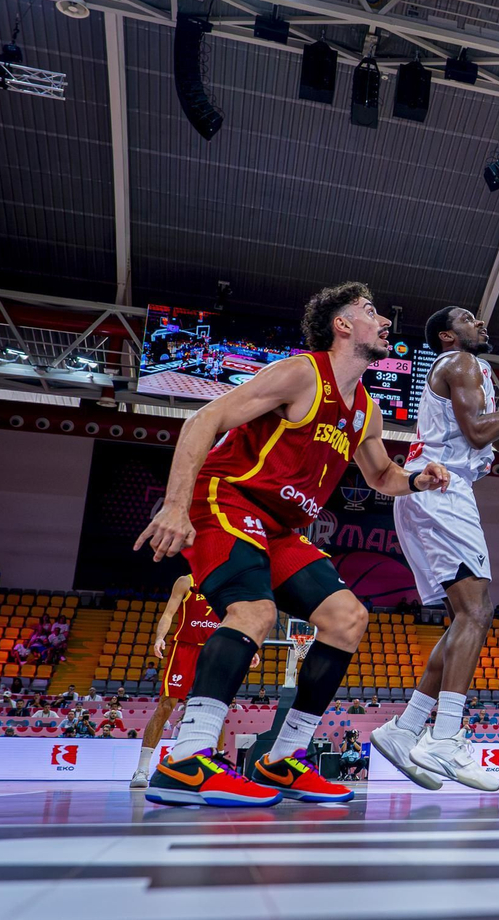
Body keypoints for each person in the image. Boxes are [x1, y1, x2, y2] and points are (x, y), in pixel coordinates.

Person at [133, 282, 450, 807]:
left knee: (347, 618)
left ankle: (281, 759)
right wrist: (174, 504)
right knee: (254, 614)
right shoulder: (303, 373)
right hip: (226, 497)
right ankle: (186, 758)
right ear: (342, 325)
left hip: (281, 527)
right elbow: (202, 418)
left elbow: (381, 476)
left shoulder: (365, 409)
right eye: (371, 312)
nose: (386, 322)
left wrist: (418, 480)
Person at [372, 307, 499, 792]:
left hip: (436, 490)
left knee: (468, 616)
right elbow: (480, 432)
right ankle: (444, 736)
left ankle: (406, 729)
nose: (480, 323)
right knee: (477, 612)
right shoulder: (459, 362)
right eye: (468, 318)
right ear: (446, 334)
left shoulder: (471, 371)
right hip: (442, 488)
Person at [129, 572, 258, 788]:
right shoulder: (185, 581)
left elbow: (240, 621)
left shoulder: (229, 583)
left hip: (216, 650)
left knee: (215, 710)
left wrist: (250, 647)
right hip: (185, 648)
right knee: (165, 706)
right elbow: (169, 613)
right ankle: (141, 770)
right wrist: (160, 637)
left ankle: (217, 767)